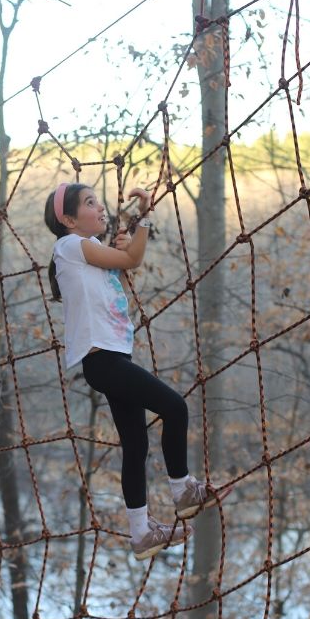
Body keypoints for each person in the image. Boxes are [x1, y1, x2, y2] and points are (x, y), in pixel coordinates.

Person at [44, 181, 215, 558]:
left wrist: (135, 224)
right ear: (69, 219)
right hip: (101, 358)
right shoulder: (70, 246)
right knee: (175, 407)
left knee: (135, 444)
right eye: (90, 203)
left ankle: (141, 533)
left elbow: (125, 258)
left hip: (111, 358)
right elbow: (132, 259)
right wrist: (144, 220)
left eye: (98, 201)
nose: (99, 207)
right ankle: (182, 488)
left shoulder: (87, 252)